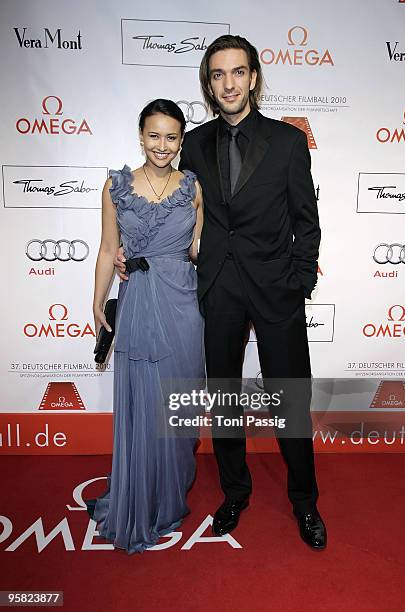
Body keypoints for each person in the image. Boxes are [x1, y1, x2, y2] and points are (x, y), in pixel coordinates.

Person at [115, 35, 327, 550]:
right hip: (216, 289)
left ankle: (305, 502)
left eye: (237, 72)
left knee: (290, 398)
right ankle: (235, 491)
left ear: (253, 77)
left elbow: (308, 222)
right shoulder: (195, 143)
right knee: (224, 395)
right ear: (208, 85)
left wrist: (297, 280)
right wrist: (130, 249)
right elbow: (164, 199)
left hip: (276, 289)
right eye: (217, 75)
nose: (228, 83)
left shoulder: (287, 141)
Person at [87, 98, 205, 554]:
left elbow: (198, 249)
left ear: (180, 140)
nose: (162, 145)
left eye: (171, 137)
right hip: (137, 300)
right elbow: (106, 247)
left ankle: (168, 494)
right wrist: (98, 298)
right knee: (142, 402)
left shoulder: (193, 187)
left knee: (177, 403)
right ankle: (140, 500)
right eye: (153, 135)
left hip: (183, 305)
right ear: (141, 136)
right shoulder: (115, 186)